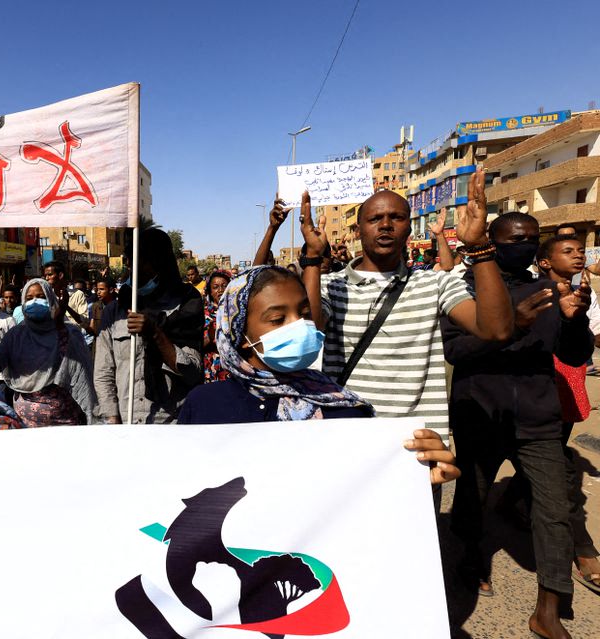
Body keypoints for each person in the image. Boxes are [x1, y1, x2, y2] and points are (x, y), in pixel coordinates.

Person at [443, 212, 593, 638]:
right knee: (472, 499)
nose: (523, 245)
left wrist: (573, 319)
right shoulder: (463, 288)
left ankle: (548, 608)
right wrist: (511, 327)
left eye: (531, 238)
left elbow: (577, 355)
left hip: (538, 417)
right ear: (492, 241)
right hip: (479, 413)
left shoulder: (550, 288)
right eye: (513, 239)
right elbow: (457, 351)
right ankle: (472, 562)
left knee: (553, 510)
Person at [177, 265, 461, 480]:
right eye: (278, 319)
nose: (298, 326)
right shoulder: (204, 405)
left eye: (304, 314)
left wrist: (412, 472)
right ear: (238, 332)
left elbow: (363, 493)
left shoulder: (345, 409)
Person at [297, 171, 513, 441]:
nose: (385, 225)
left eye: (396, 218)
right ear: (358, 230)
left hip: (417, 443)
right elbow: (311, 330)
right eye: (375, 218)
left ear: (409, 230)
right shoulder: (330, 285)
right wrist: (313, 260)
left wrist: (480, 247)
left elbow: (496, 330)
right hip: (346, 432)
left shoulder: (435, 284)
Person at [534, 235, 600, 594]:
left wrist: (580, 320)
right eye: (568, 252)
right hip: (536, 393)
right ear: (545, 262)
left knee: (554, 463)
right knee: (559, 475)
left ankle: (517, 499)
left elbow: (594, 338)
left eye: (580, 252)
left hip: (567, 387)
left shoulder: (586, 296)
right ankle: (584, 550)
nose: (578, 257)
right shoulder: (534, 293)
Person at [94, 228, 203, 424]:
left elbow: (192, 372)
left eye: (142, 262)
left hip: (171, 422)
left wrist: (155, 333)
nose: (133, 269)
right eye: (130, 261)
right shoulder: (116, 310)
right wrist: (113, 419)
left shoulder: (186, 304)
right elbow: (104, 372)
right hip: (126, 422)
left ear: (159, 262)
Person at [0, 278, 95, 426]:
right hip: (25, 428)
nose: (35, 302)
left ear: (51, 299)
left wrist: (58, 325)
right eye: (29, 298)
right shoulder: (16, 336)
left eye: (41, 297)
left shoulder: (69, 334)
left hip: (64, 427)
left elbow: (79, 378)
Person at [202, 269, 232, 383]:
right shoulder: (203, 313)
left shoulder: (237, 312)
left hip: (234, 367)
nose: (220, 290)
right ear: (210, 290)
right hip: (212, 368)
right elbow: (195, 345)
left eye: (225, 286)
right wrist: (209, 338)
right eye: (215, 287)